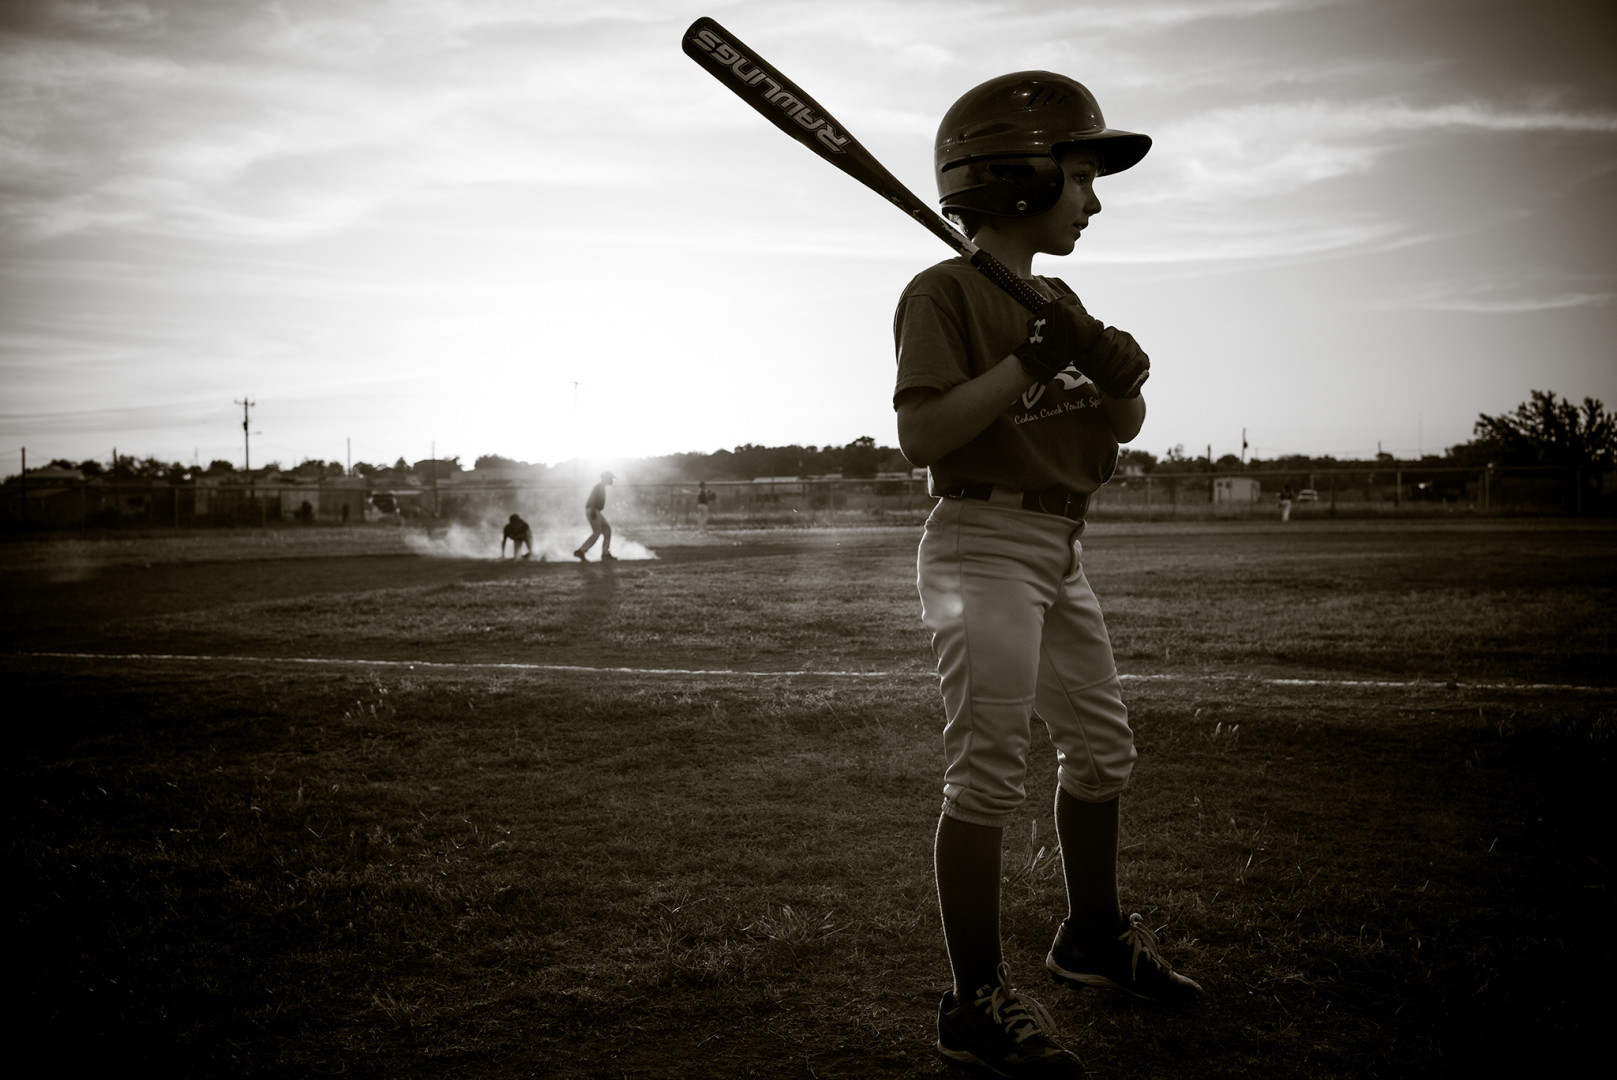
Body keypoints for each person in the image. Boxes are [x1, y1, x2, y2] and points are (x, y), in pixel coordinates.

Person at [893, 72, 1202, 1077]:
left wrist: (1116, 371)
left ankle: (1091, 940)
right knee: (987, 766)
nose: (1094, 200)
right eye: (1078, 177)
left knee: (1103, 750)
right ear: (1019, 179)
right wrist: (1032, 359)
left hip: (1061, 544)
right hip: (981, 541)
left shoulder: (1057, 297)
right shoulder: (942, 293)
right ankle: (972, 1000)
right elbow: (924, 431)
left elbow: (1122, 426)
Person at [574, 470, 616, 561]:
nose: (612, 480)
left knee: (607, 529)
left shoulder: (601, 487)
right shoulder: (599, 487)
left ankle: (605, 554)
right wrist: (593, 511)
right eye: (611, 478)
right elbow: (593, 499)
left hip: (594, 510)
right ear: (606, 478)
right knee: (597, 532)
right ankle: (582, 551)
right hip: (592, 509)